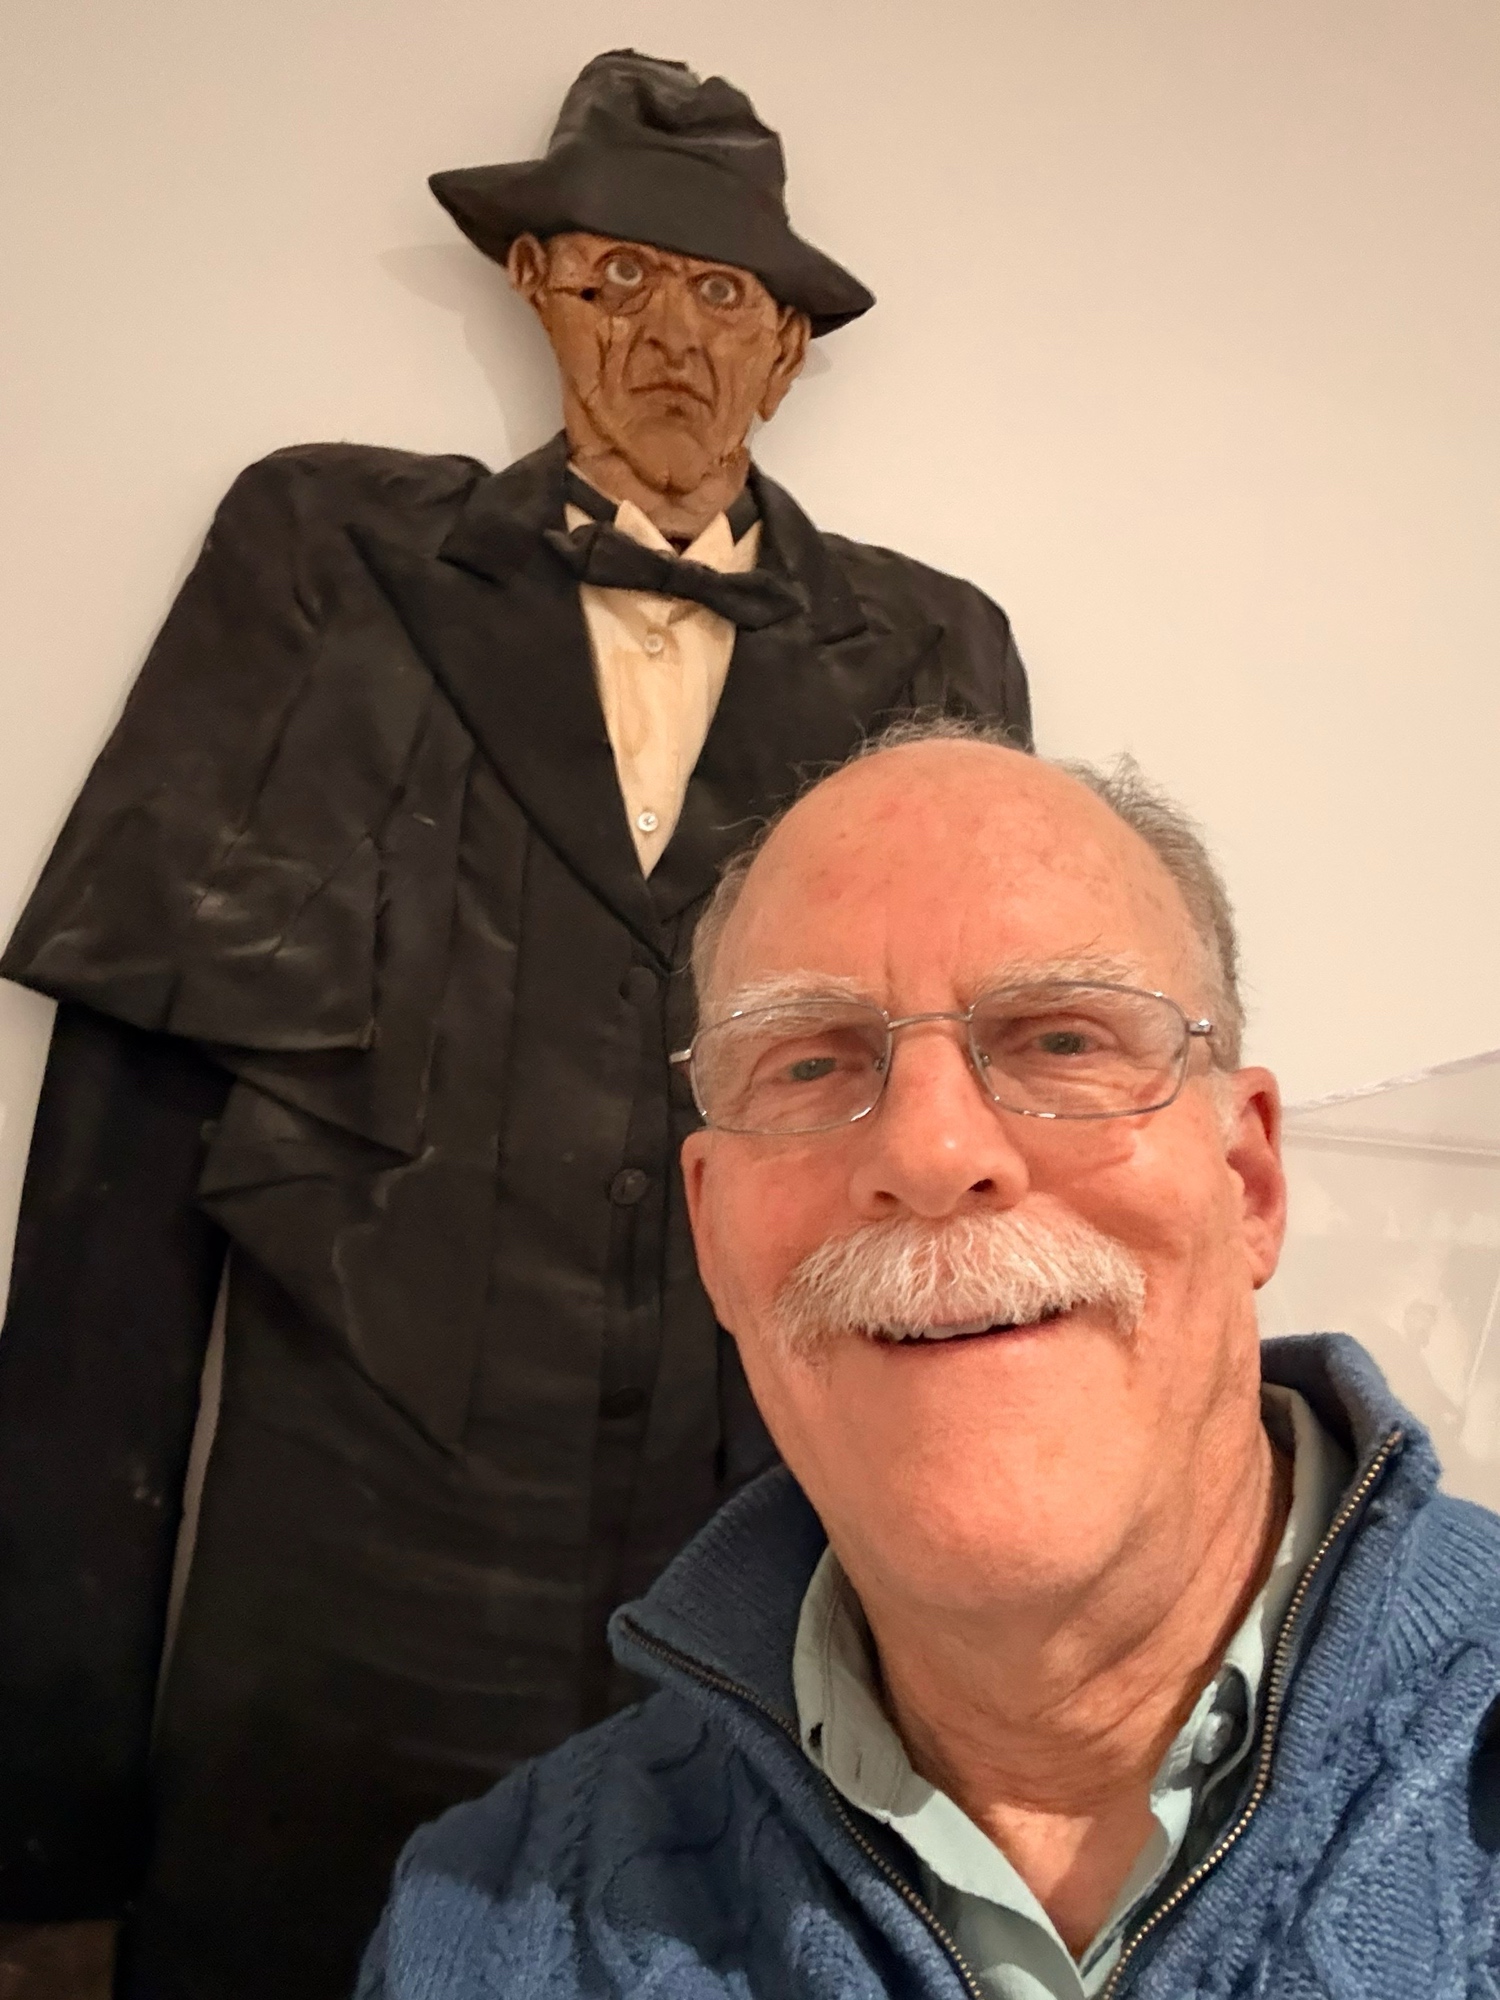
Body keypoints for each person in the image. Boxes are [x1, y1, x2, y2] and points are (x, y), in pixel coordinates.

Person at [0, 51, 1031, 2000]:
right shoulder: (326, 563)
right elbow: (106, 1232)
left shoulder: (932, 655)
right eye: (619, 276)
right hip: (327, 1649)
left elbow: (969, 1242)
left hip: (747, 1644)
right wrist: (38, 1833)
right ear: (535, 284)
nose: (671, 335)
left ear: (790, 349)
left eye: (723, 292)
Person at [360, 723, 1500, 2000]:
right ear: (713, 1234)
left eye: (1060, 1039)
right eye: (809, 1061)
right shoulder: (486, 1928)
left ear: (1249, 1180)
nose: (931, 1150)